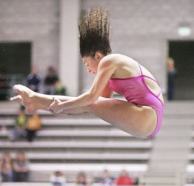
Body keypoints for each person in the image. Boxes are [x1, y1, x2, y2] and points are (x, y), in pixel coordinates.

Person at [11, 8, 164, 140]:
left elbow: (91, 98)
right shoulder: (110, 72)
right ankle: (35, 100)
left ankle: (35, 98)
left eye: (86, 63)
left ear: (97, 56)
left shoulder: (110, 60)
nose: (87, 69)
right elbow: (90, 106)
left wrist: (62, 105)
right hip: (147, 121)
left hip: (148, 115)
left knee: (91, 102)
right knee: (91, 106)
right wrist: (48, 106)